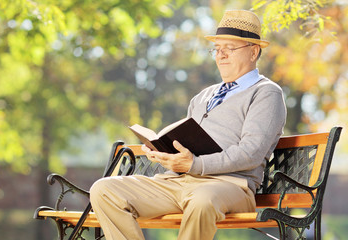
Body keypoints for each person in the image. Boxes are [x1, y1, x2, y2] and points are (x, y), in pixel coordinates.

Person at [90, 9, 286, 240]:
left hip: (230, 186)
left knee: (203, 200)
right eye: (217, 49)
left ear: (253, 52)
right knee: (104, 190)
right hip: (177, 182)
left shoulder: (266, 93)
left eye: (229, 49)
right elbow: (187, 149)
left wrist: (195, 164)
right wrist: (164, 154)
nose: (220, 55)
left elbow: (250, 153)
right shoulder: (202, 96)